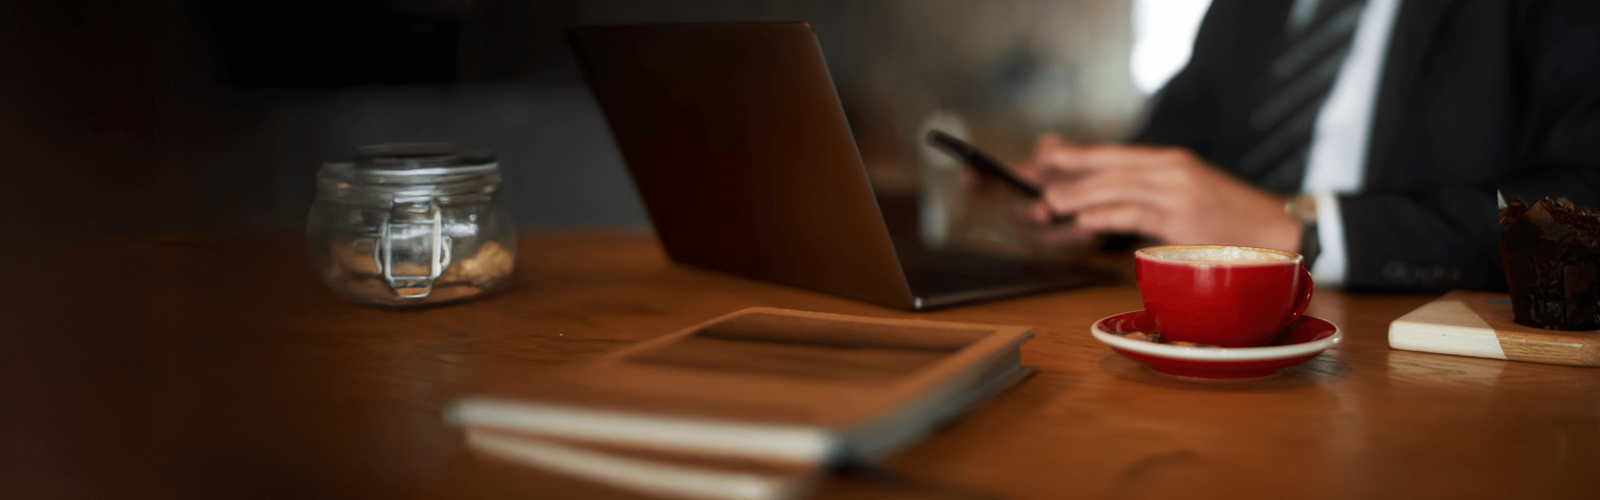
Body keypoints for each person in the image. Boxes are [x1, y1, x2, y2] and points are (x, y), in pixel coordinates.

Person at [1019, 0, 1600, 291]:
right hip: (1203, 321)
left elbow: (1583, 199)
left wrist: (1310, 231)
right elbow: (1171, 145)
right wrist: (1091, 197)